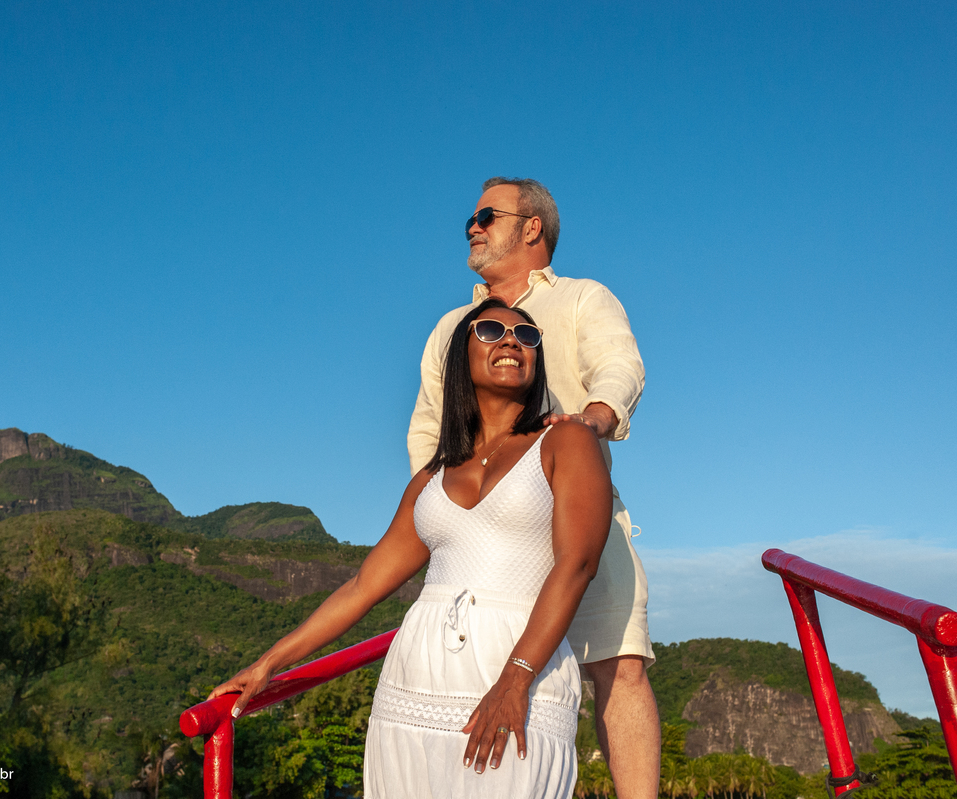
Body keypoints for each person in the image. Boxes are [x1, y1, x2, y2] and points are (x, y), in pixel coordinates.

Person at [209, 299, 613, 799]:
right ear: (462, 358)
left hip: (520, 673)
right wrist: (270, 664)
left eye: (526, 336)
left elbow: (577, 564)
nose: (511, 340)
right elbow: (362, 587)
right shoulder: (432, 477)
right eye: (491, 330)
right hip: (415, 684)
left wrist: (515, 679)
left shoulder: (566, 442)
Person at [407, 178, 660, 798]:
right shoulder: (452, 327)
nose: (472, 225)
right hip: (481, 535)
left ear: (531, 227)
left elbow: (619, 365)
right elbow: (428, 428)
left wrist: (593, 419)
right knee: (475, 673)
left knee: (618, 666)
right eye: (470, 216)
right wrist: (435, 521)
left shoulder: (580, 298)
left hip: (578, 512)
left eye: (486, 214)